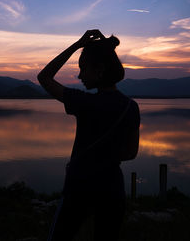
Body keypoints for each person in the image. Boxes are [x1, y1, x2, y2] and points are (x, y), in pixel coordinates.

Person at [37, 29, 140, 241]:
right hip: (112, 189)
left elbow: (44, 77)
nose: (80, 75)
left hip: (79, 187)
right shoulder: (131, 107)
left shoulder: (85, 103)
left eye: (83, 69)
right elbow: (131, 153)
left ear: (99, 70)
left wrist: (77, 44)